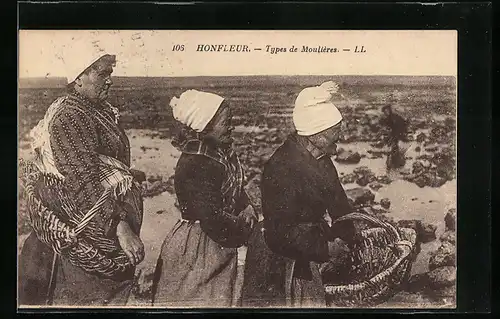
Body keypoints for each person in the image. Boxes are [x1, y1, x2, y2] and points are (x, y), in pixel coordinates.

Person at [19, 52, 145, 306]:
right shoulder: (71, 116)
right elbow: (83, 181)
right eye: (102, 74)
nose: (109, 80)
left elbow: (98, 164)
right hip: (86, 236)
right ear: (78, 78)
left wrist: (128, 176)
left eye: (110, 73)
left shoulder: (93, 109)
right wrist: (121, 227)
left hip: (96, 227)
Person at [241, 81, 356, 308]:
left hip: (307, 243)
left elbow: (339, 204)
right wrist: (326, 249)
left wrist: (351, 237)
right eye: (335, 132)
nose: (340, 137)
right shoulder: (282, 167)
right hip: (281, 254)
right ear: (315, 133)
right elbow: (280, 232)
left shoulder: (321, 160)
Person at [151, 90, 257, 308]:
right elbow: (210, 214)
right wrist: (244, 230)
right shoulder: (198, 162)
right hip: (199, 244)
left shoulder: (219, 155)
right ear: (205, 126)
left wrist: (245, 206)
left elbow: (234, 188)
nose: (231, 127)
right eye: (226, 123)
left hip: (213, 239)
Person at [379, 104, 409, 169]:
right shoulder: (390, 118)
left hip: (399, 135)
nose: (385, 113)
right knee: (394, 150)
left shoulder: (394, 118)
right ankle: (396, 163)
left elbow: (400, 127)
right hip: (397, 136)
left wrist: (394, 137)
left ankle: (396, 163)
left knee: (394, 150)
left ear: (389, 110)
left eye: (386, 111)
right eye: (384, 112)